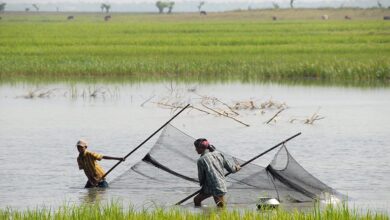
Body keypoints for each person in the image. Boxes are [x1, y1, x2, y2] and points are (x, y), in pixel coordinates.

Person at [193, 138, 241, 208]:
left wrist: (202, 185)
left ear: (202, 148)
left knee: (221, 207)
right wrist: (237, 168)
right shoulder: (218, 154)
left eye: (197, 148)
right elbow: (231, 169)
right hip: (217, 186)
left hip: (214, 187)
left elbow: (201, 177)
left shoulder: (201, 160)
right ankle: (206, 215)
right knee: (197, 200)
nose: (196, 150)